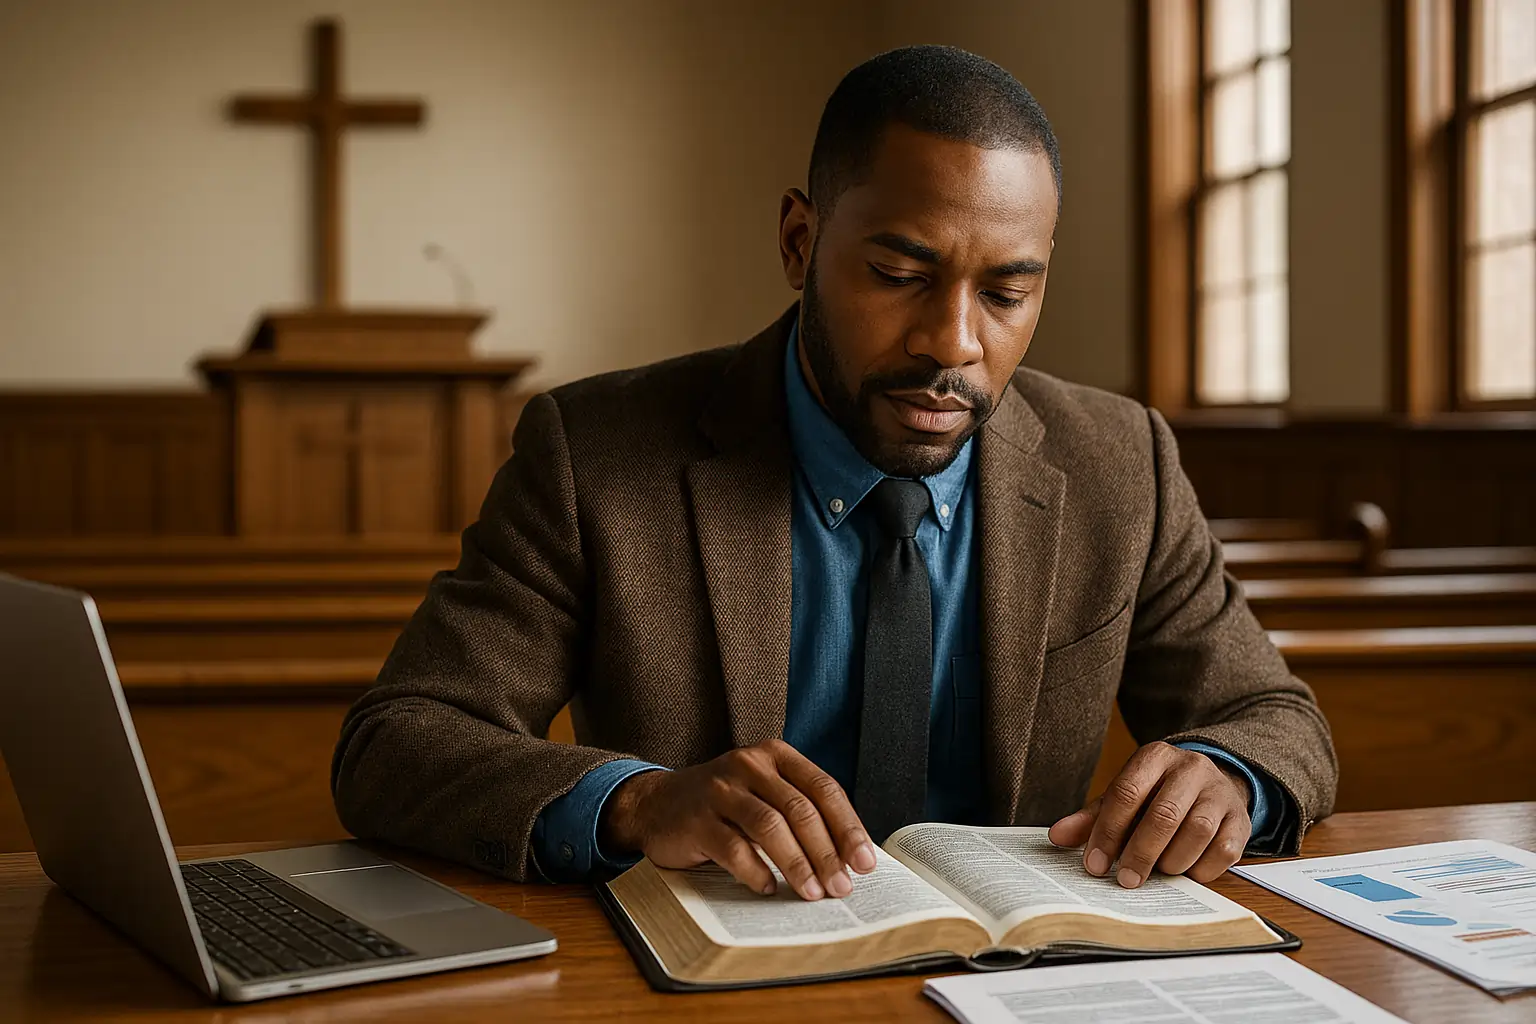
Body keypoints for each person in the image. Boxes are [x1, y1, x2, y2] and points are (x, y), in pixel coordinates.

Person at [332, 45, 1336, 903]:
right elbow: (397, 741)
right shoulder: (592, 452)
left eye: (1006, 292)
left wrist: (1230, 776)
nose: (954, 342)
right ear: (800, 242)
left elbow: (1279, 720)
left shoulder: (1121, 461)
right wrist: (636, 801)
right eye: (899, 275)